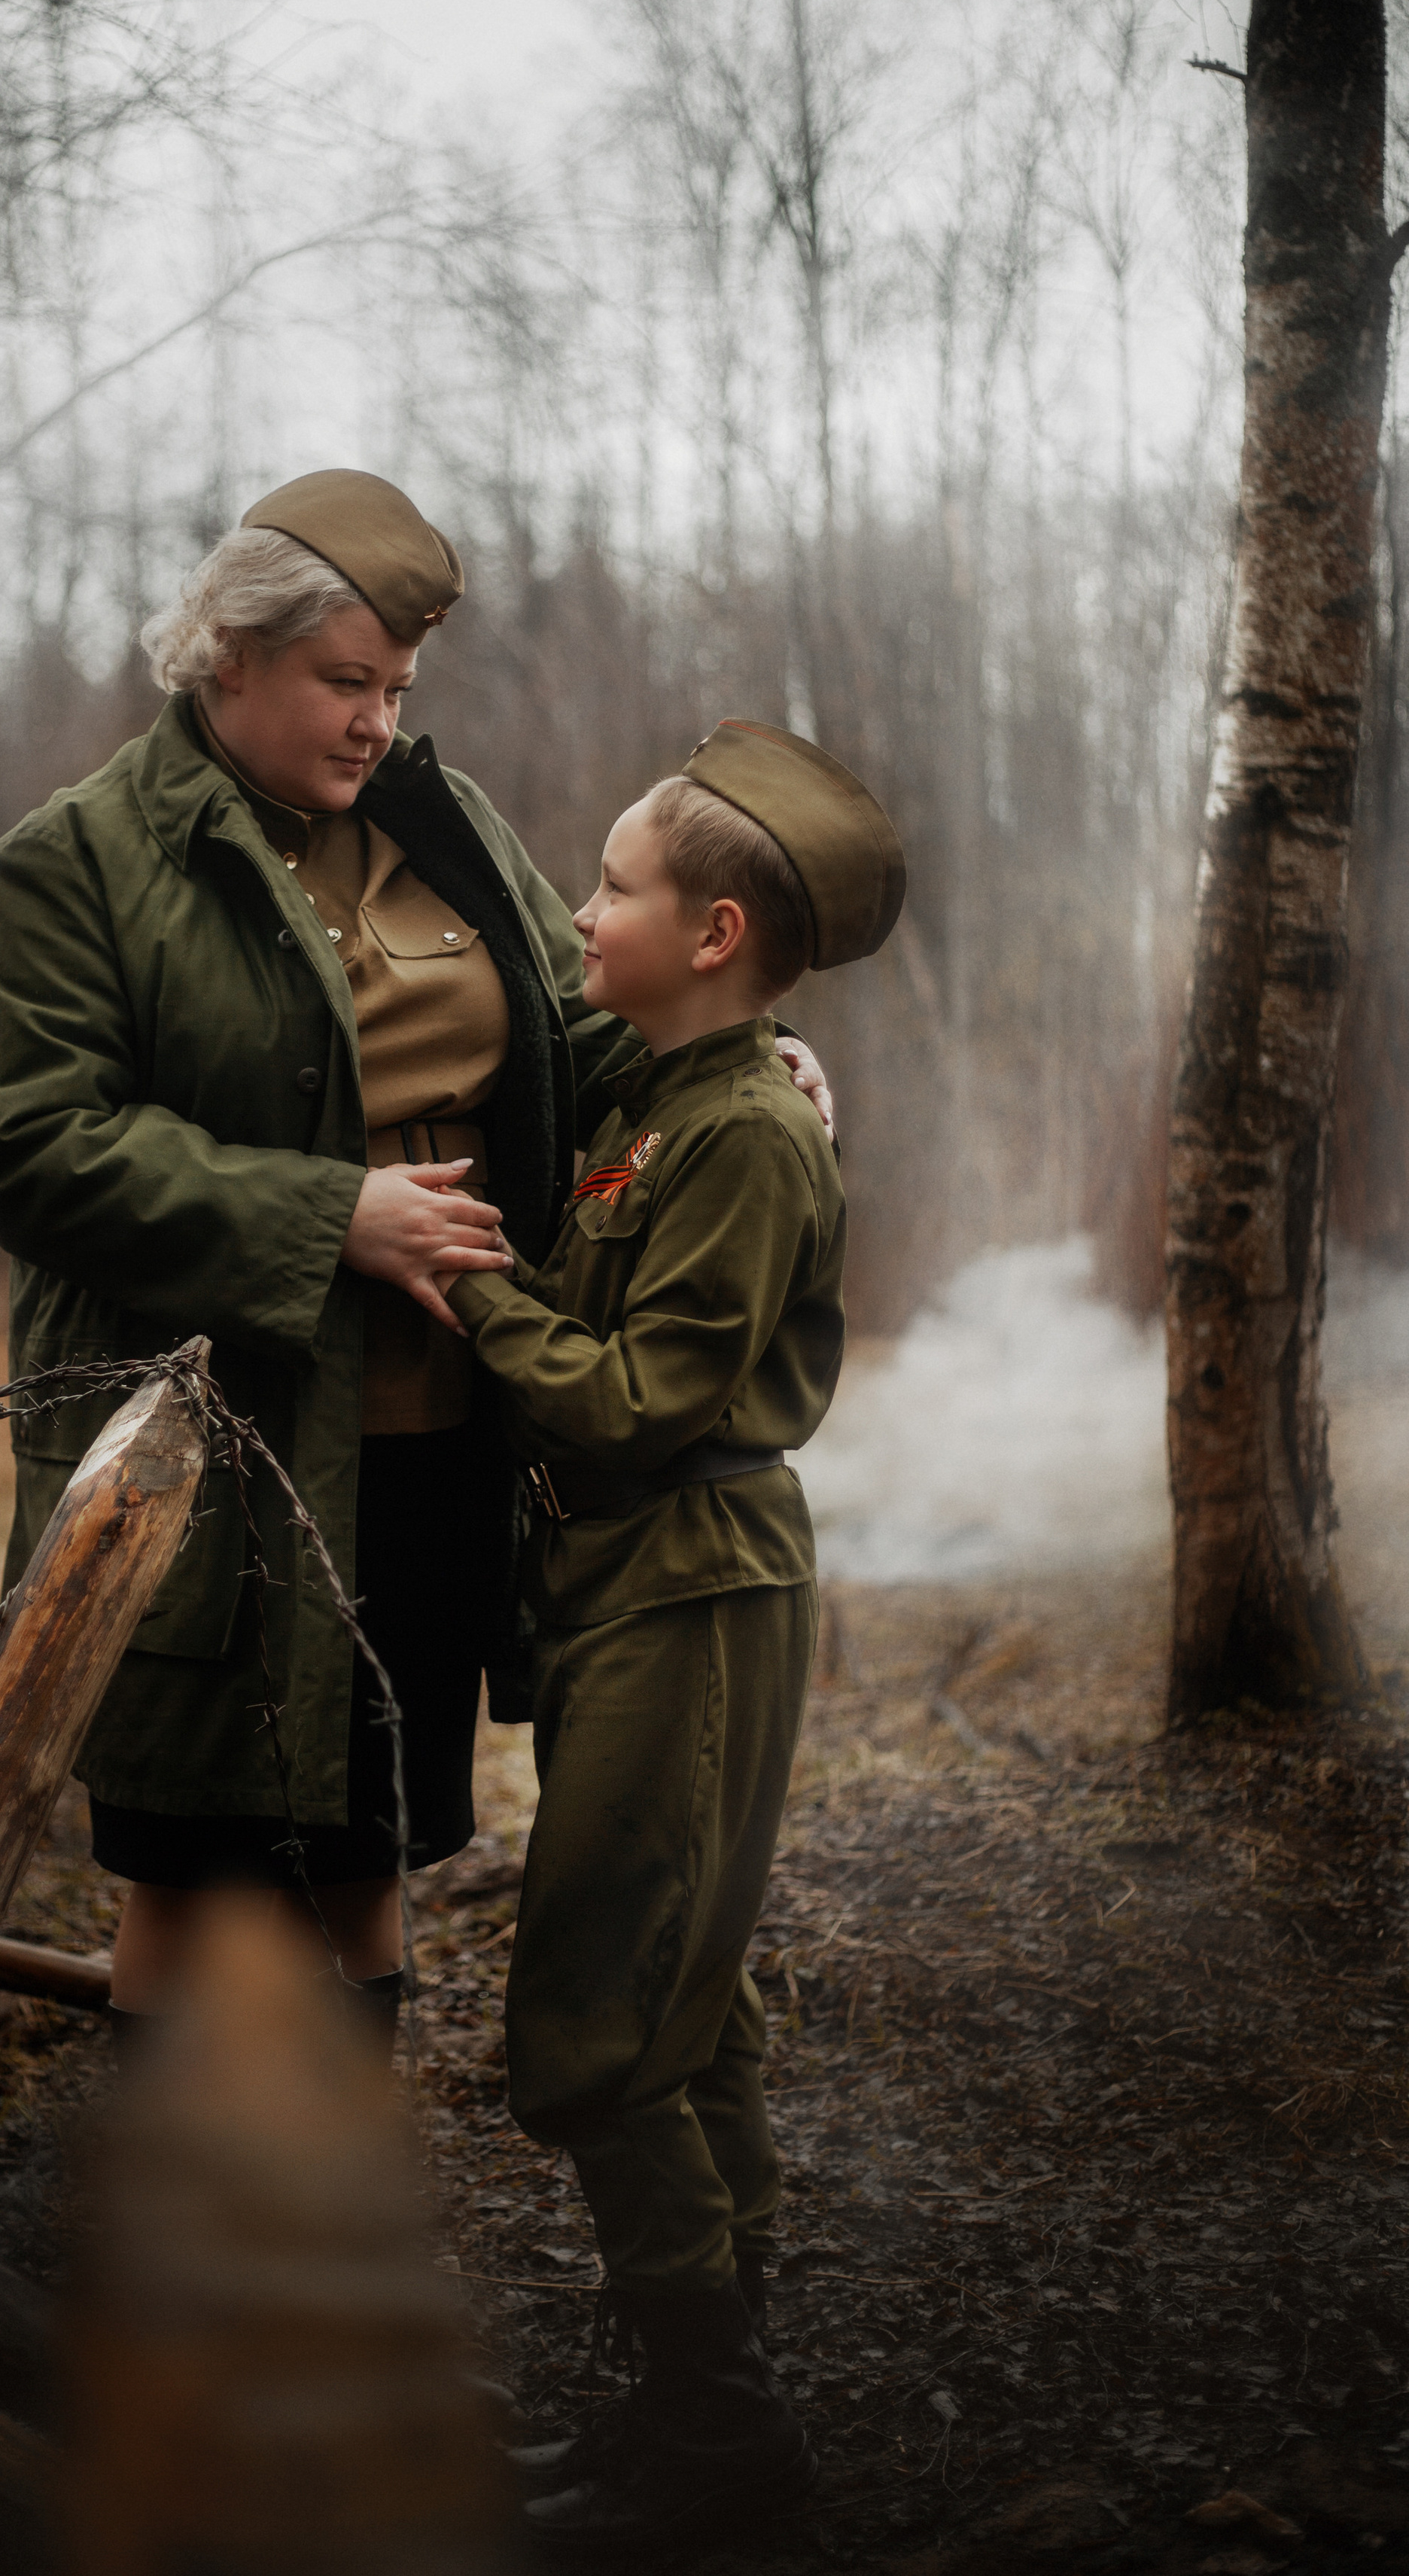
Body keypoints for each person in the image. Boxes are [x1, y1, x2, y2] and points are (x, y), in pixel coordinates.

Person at [0, 473, 835, 2041]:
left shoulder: (442, 824)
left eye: (396, 688)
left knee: (367, 1844)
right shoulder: (74, 864)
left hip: (434, 1451)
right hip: (217, 1469)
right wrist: (325, 1215)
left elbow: (571, 1036)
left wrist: (741, 1060)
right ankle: (188, 2245)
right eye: (341, 683)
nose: (375, 723)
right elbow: (31, 1151)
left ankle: (336, 2211)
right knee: (199, 1871)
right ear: (226, 652)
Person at [431, 719, 905, 2553]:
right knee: (676, 2011)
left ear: (711, 933)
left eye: (612, 887)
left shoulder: (747, 1140)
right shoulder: (655, 1097)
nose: (577, 909)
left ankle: (719, 2430)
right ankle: (702, 2416)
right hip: (634, 1587)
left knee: (598, 2025)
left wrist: (476, 1297)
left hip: (691, 1581)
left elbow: (634, 1399)